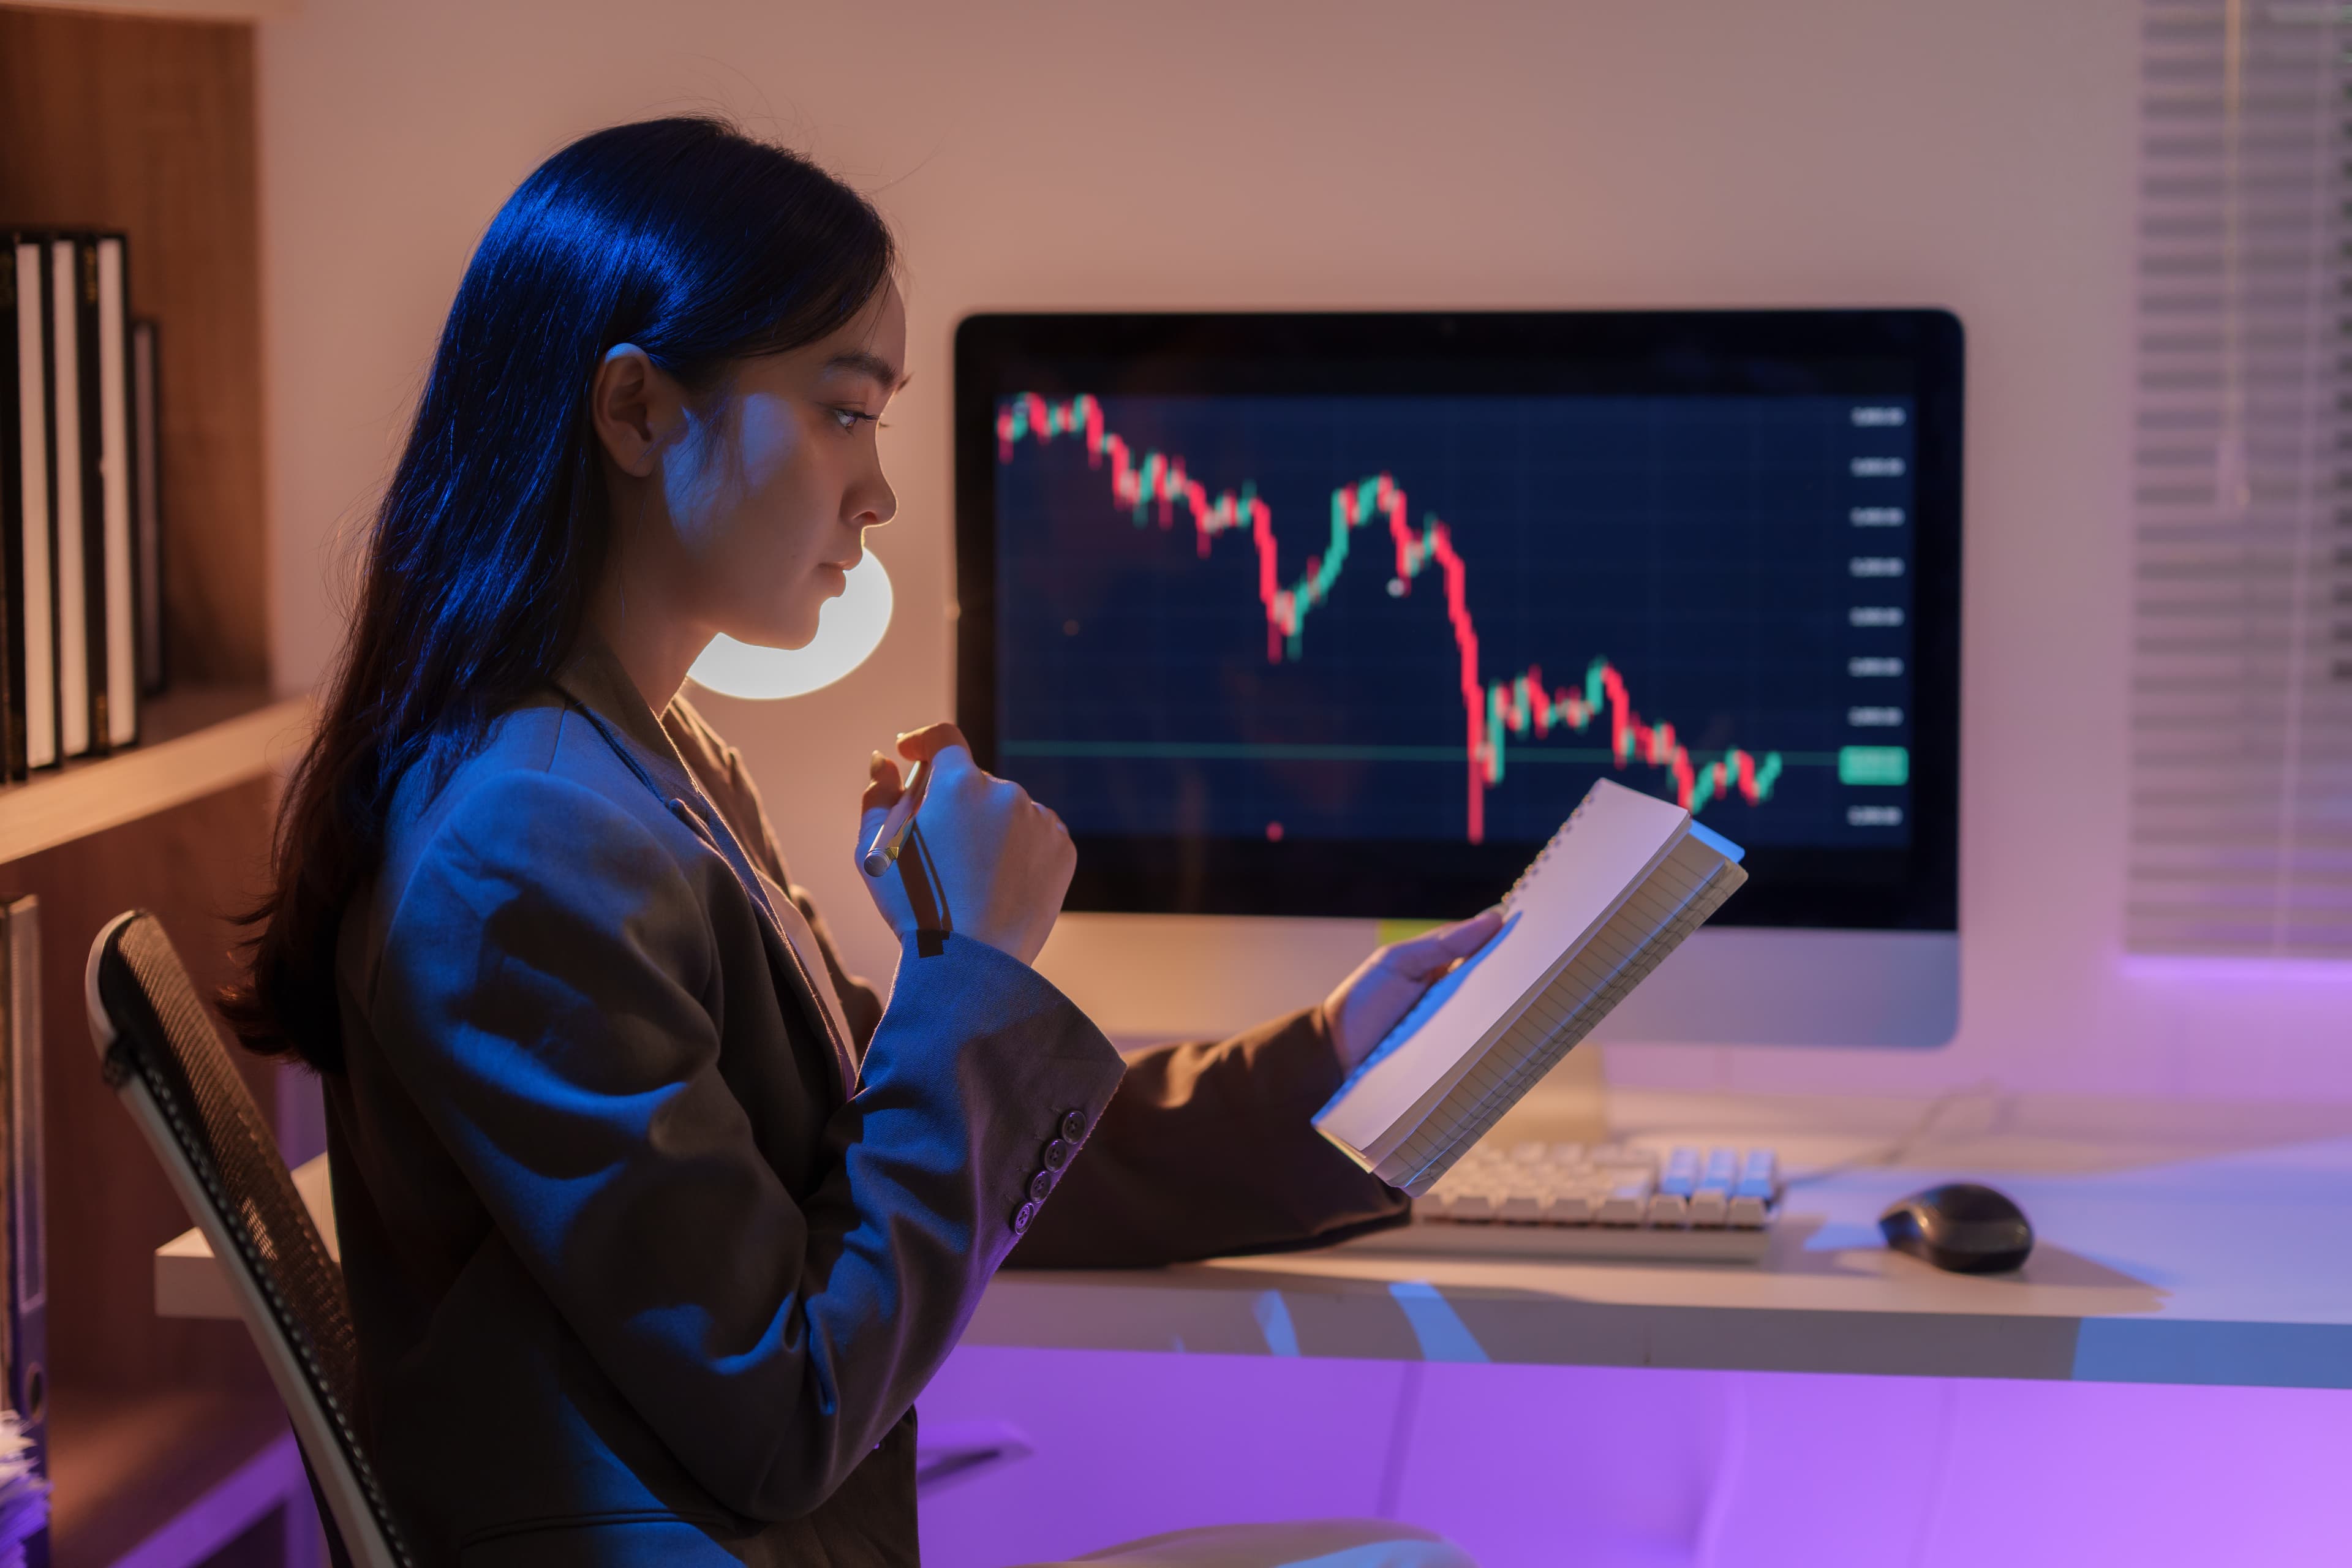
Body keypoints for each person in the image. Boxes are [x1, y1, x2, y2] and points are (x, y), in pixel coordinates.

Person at [225, 116, 1497, 1567]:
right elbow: (787, 1408)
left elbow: (893, 1154)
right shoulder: (528, 845)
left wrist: (1328, 1060)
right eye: (843, 411)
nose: (878, 491)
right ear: (636, 411)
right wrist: (972, 974)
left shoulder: (654, 769)